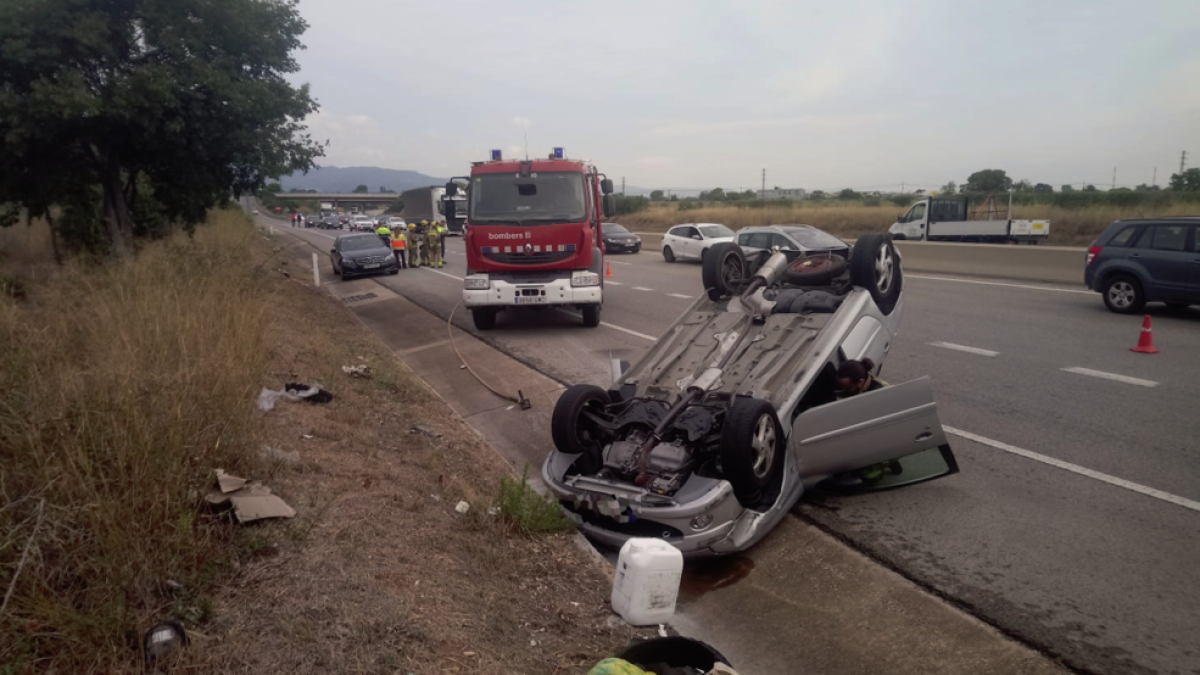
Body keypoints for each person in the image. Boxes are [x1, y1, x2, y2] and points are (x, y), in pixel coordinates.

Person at [833, 358, 898, 485]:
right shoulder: (863, 384)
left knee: (868, 476)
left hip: (882, 435)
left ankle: (877, 471)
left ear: (860, 382)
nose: (845, 391)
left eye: (848, 388)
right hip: (878, 430)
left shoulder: (878, 396)